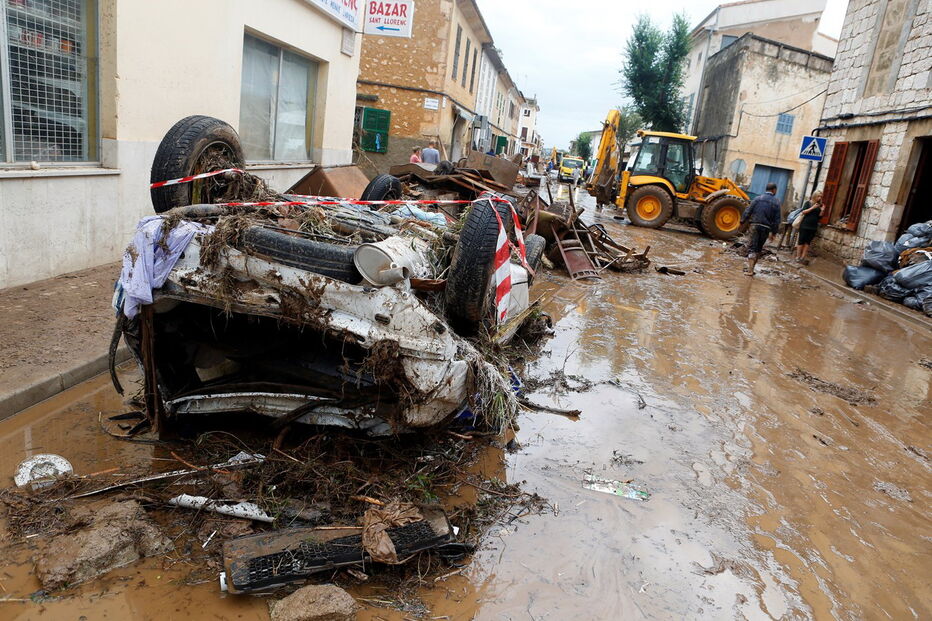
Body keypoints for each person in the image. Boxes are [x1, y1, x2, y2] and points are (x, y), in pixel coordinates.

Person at [740, 182, 782, 276]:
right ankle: (752, 269)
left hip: (754, 225)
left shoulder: (757, 198)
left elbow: (748, 211)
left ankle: (750, 270)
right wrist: (774, 233)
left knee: (752, 248)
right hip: (766, 228)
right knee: (758, 248)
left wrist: (742, 221)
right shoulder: (776, 202)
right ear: (774, 190)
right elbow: (777, 220)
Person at [794, 190, 824, 264]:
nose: (819, 198)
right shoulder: (808, 203)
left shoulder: (819, 205)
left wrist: (822, 211)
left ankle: (803, 258)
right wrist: (813, 207)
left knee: (807, 243)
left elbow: (819, 217)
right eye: (818, 196)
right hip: (804, 225)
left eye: (820, 197)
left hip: (813, 227)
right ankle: (798, 257)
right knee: (801, 241)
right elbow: (803, 212)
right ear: (814, 196)